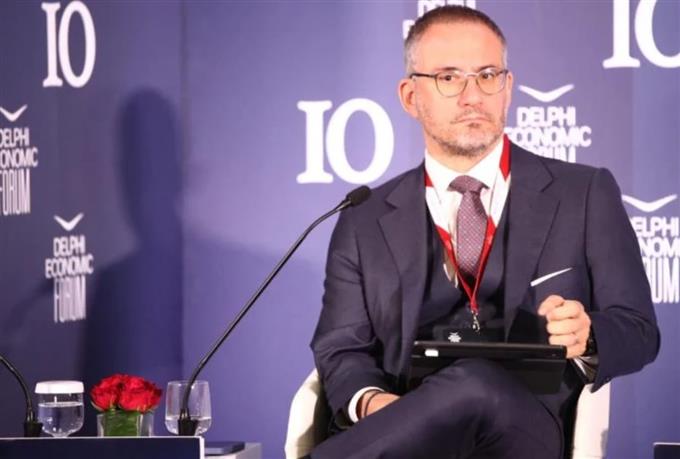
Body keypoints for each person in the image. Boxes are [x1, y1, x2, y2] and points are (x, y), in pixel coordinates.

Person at [310, 5, 659, 459]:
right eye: (449, 78)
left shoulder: (584, 193)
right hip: (404, 436)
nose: (473, 96)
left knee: (475, 381)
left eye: (488, 75)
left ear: (508, 88)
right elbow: (341, 349)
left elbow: (638, 329)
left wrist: (588, 334)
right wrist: (380, 406)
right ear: (410, 96)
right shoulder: (363, 218)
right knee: (457, 391)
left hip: (527, 429)